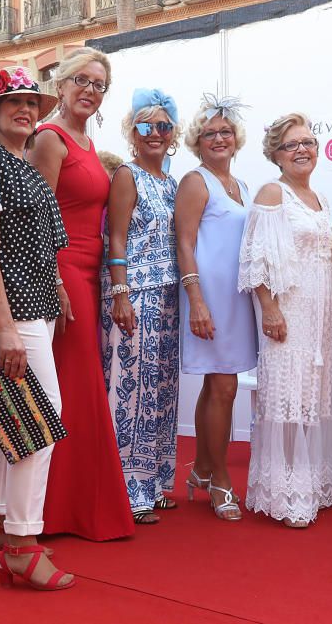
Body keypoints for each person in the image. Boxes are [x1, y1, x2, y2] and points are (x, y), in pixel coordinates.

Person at [0, 66, 74, 589]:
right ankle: (23, 543)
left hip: (30, 307)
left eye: (32, 101)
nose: (26, 109)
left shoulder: (19, 162)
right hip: (5, 313)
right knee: (38, 424)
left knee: (11, 422)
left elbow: (41, 241)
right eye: (13, 101)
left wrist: (54, 284)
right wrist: (6, 326)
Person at [28, 48, 135, 541]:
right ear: (61, 83)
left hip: (89, 273)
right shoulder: (50, 139)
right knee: (71, 389)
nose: (90, 90)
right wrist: (52, 282)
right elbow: (37, 220)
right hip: (63, 271)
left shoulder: (88, 143)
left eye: (99, 84)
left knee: (76, 388)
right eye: (82, 81)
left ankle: (68, 508)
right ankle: (55, 512)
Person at [238, 113, 332, 528]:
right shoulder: (273, 194)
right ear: (276, 155)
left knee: (315, 397)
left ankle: (315, 485)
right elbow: (256, 259)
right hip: (288, 312)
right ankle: (287, 494)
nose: (302, 150)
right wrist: (269, 309)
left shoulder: (320, 198)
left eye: (308, 142)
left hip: (321, 313)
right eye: (291, 145)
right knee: (289, 396)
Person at [174, 95, 257, 521]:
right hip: (208, 300)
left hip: (237, 300)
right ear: (198, 142)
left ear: (236, 138)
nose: (219, 138)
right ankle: (220, 478)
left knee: (216, 387)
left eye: (225, 131)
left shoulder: (241, 185)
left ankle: (202, 470)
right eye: (210, 133)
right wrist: (196, 301)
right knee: (223, 388)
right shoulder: (195, 180)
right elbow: (184, 242)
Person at [101, 89, 182, 524]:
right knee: (129, 393)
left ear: (174, 134)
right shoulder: (127, 176)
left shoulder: (172, 182)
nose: (156, 133)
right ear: (133, 132)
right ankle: (127, 490)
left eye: (164, 126)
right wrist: (120, 292)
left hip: (168, 297)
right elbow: (115, 238)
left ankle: (151, 483)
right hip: (133, 296)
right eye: (147, 126)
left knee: (160, 392)